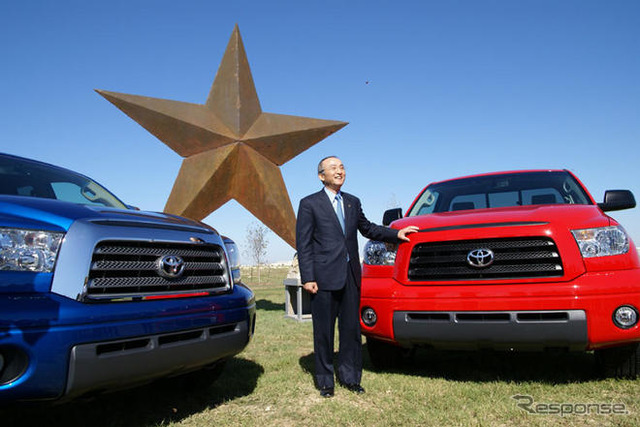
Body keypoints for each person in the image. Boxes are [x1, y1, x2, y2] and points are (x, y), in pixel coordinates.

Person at [295, 156, 418, 398]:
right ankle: (325, 382)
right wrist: (308, 277)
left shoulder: (352, 202)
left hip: (351, 277)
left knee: (351, 331)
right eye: (333, 168)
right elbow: (304, 243)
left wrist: (395, 233)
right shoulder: (309, 203)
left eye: (341, 167)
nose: (339, 171)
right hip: (323, 278)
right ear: (321, 175)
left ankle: (351, 378)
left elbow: (368, 228)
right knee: (324, 332)